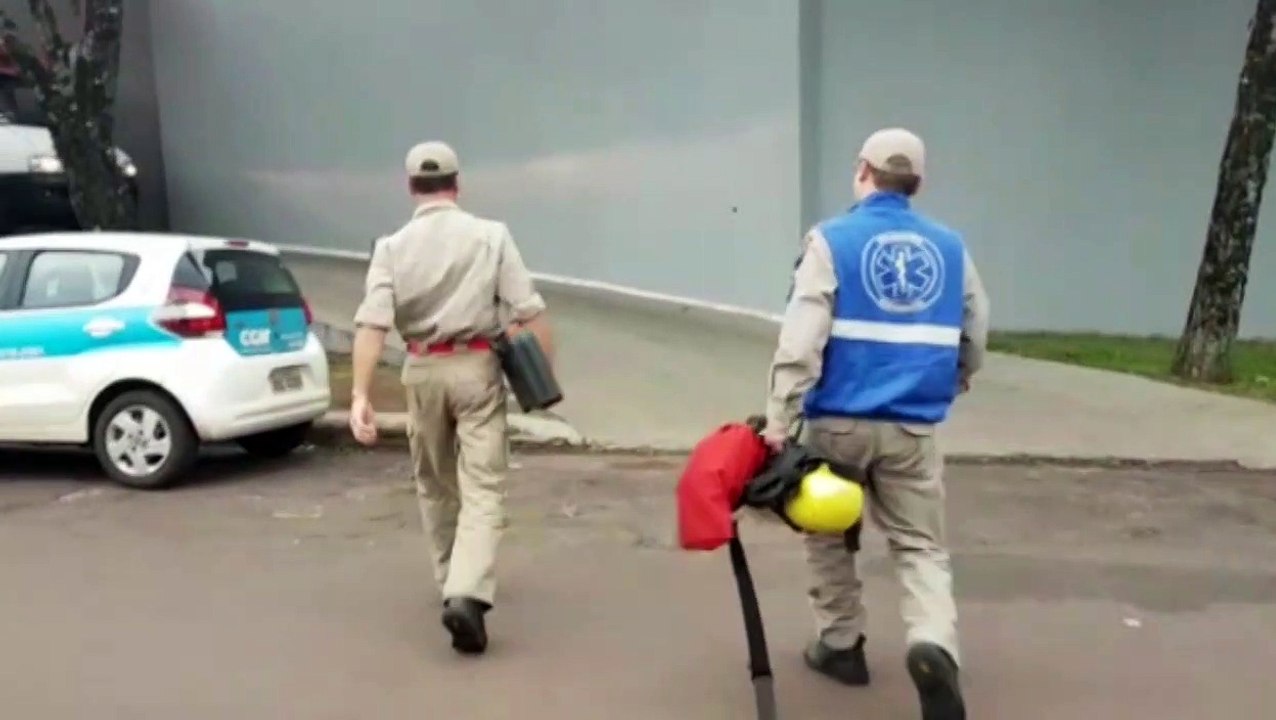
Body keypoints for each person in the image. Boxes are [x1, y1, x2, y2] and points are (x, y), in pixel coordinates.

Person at [763, 128, 989, 720]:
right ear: (918, 183)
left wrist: (780, 418)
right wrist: (955, 379)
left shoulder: (831, 240)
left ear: (862, 170)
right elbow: (975, 329)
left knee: (828, 530)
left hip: (836, 422)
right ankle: (932, 644)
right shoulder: (950, 247)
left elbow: (801, 339)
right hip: (912, 426)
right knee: (920, 546)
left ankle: (840, 644)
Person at [349, 140, 553, 656]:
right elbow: (528, 311)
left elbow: (373, 324)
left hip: (421, 370)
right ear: (457, 185)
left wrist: (359, 394)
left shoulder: (390, 248)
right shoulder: (492, 235)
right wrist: (544, 382)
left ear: (410, 187)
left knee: (435, 482)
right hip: (477, 369)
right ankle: (467, 592)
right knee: (483, 486)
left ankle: (450, 583)